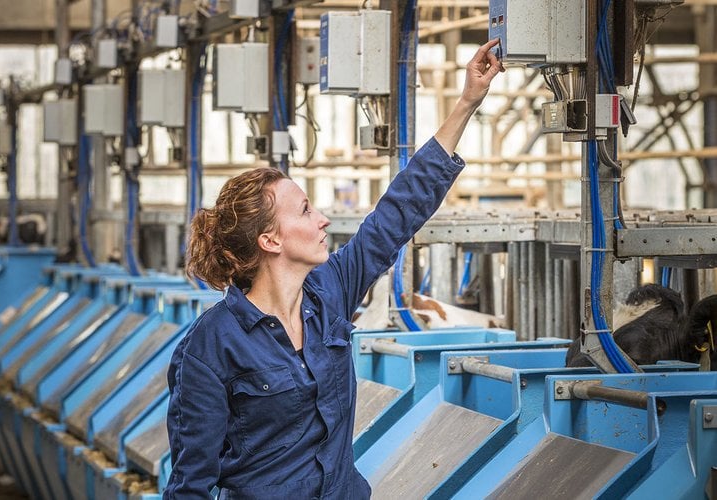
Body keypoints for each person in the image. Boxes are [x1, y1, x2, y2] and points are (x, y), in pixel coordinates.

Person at [164, 38, 503, 499]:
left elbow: (397, 214)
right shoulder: (210, 347)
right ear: (270, 240)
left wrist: (467, 101)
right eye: (305, 211)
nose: (322, 218)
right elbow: (190, 486)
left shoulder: (329, 293)